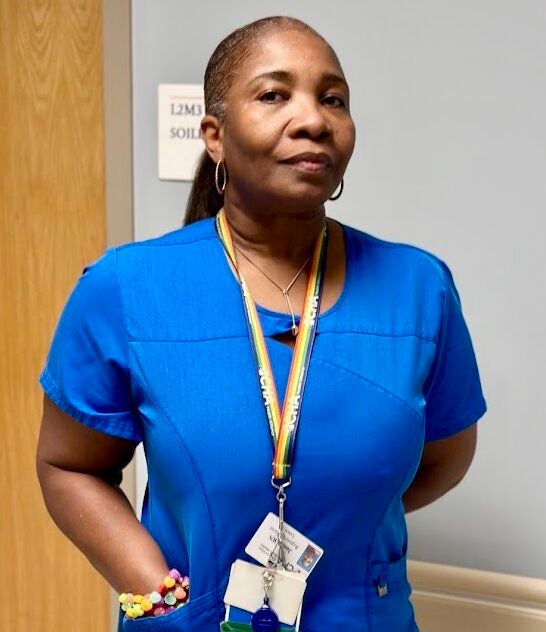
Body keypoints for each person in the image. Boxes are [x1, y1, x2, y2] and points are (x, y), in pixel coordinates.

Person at [36, 16, 486, 632]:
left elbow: (445, 458)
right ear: (215, 137)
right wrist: (157, 593)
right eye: (274, 95)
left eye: (333, 99)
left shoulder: (418, 289)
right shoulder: (126, 288)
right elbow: (70, 466)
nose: (313, 119)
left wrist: (345, 511)